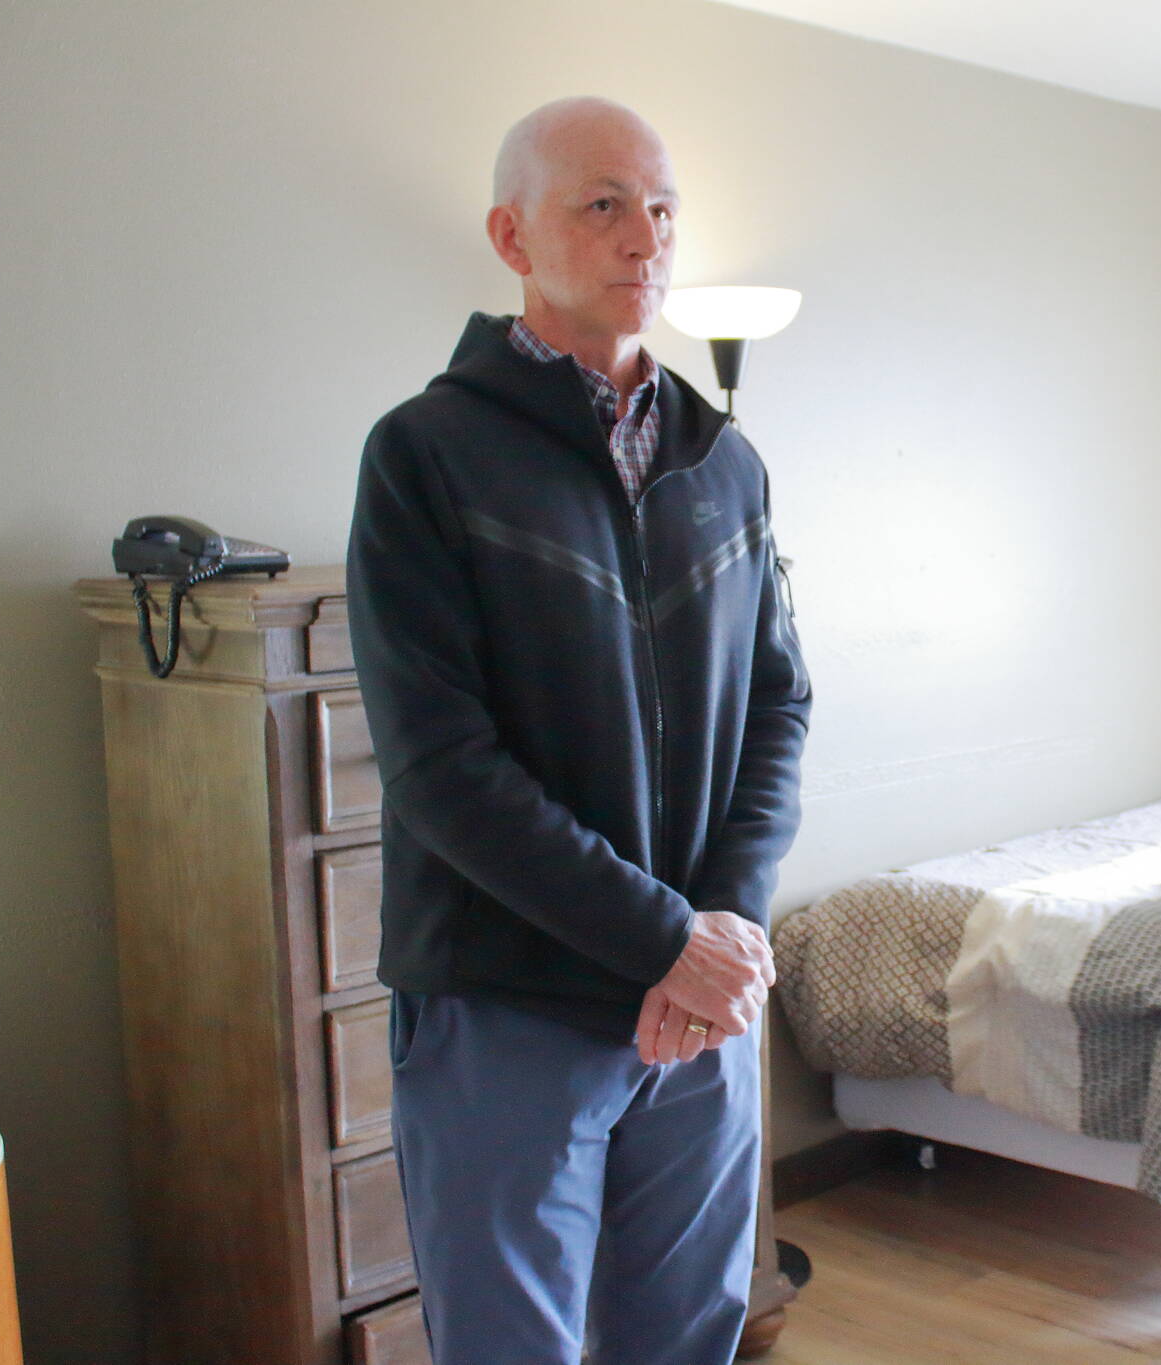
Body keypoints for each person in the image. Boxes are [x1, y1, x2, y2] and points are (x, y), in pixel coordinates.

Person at [345, 95, 811, 1365]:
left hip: (700, 1009)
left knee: (687, 1337)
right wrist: (665, 939)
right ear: (512, 235)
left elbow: (778, 706)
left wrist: (722, 929)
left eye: (660, 207)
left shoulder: (728, 468)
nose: (642, 237)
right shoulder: (425, 456)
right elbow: (442, 769)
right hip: (509, 1002)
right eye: (600, 203)